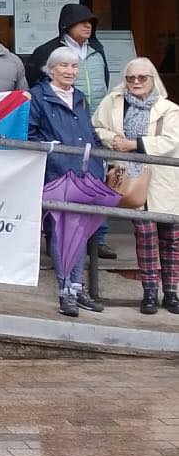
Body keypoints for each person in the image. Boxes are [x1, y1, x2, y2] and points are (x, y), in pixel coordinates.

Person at [94, 58, 179, 315]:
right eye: (131, 78)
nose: (136, 82)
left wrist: (135, 144)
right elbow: (98, 127)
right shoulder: (113, 102)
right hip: (131, 182)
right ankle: (150, 292)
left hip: (164, 182)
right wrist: (116, 140)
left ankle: (171, 292)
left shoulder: (169, 109)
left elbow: (171, 141)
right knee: (145, 236)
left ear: (153, 79)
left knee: (172, 238)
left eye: (142, 78)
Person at [29, 47, 108, 318]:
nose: (70, 71)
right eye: (64, 66)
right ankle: (65, 291)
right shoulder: (39, 96)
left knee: (82, 232)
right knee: (63, 233)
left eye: (74, 67)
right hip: (57, 174)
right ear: (51, 69)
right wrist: (54, 153)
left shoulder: (81, 97)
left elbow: (91, 134)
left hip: (86, 175)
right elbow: (29, 136)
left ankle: (77, 286)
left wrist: (99, 163)